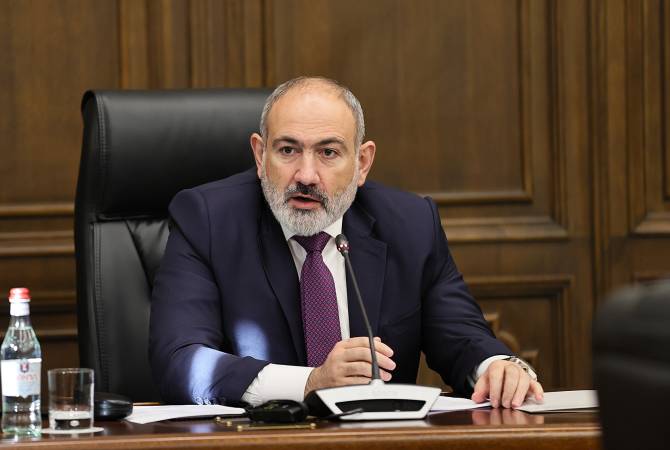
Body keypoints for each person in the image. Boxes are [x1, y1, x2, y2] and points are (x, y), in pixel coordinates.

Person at [149, 76, 544, 409]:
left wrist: (496, 366)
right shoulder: (208, 220)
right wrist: (310, 382)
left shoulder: (411, 224)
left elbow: (461, 335)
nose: (306, 175)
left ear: (362, 163)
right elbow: (181, 362)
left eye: (328, 152)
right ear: (259, 154)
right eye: (287, 150)